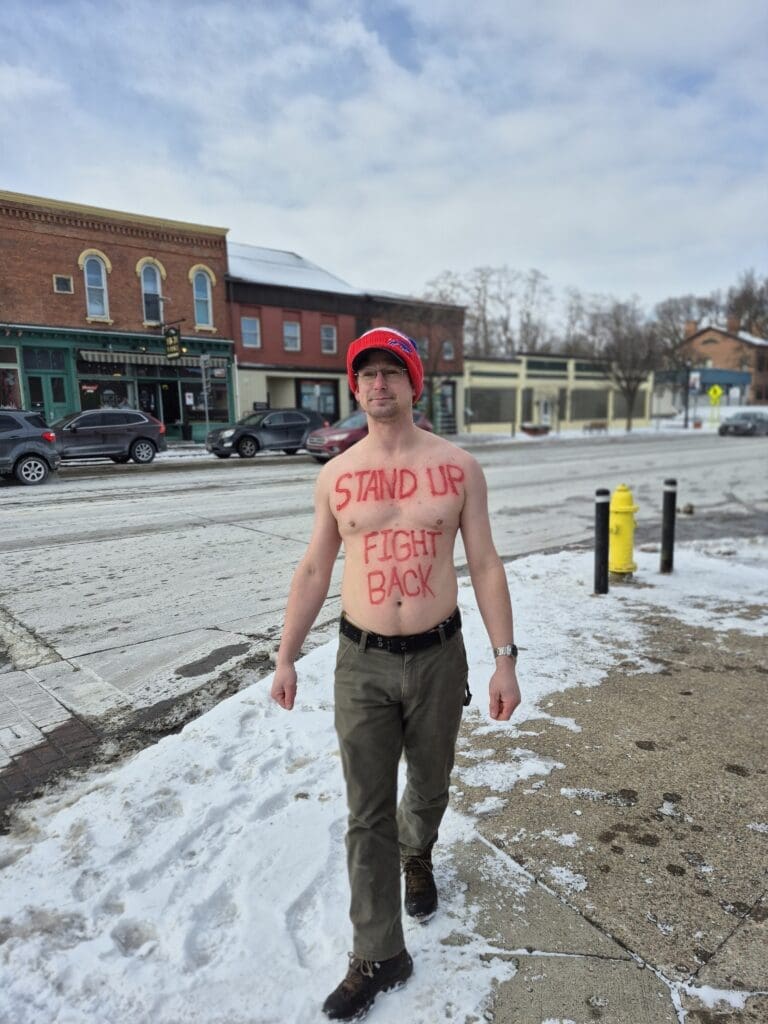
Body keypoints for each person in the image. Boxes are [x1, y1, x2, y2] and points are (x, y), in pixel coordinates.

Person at [270, 327, 521, 1021]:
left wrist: (506, 659)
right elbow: (317, 568)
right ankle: (380, 950)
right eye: (367, 374)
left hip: (441, 657)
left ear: (414, 384)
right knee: (366, 811)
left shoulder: (458, 467)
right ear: (354, 387)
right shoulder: (336, 476)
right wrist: (286, 653)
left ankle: (419, 852)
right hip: (362, 662)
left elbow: (488, 564)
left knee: (430, 783)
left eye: (392, 372)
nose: (379, 384)